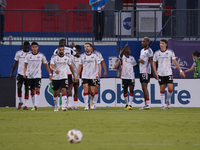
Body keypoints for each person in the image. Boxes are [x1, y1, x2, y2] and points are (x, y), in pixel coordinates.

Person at [152, 39, 185, 110]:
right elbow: (154, 62)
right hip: (160, 73)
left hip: (169, 73)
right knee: (162, 89)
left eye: (163, 43)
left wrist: (180, 70)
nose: (161, 45)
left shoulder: (170, 52)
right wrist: (155, 72)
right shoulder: (157, 53)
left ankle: (168, 100)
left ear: (166, 44)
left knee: (170, 89)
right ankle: (163, 105)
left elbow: (175, 61)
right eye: (160, 43)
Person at [23, 42, 52, 111]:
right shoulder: (28, 56)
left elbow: (46, 65)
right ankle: (34, 105)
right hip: (30, 76)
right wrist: (24, 73)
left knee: (37, 89)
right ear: (31, 48)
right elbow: (25, 65)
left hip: (38, 75)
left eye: (36, 47)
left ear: (38, 47)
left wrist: (50, 74)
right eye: (33, 47)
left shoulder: (41, 55)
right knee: (32, 91)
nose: (34, 48)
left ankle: (36, 105)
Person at [50, 45, 77, 111]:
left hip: (64, 77)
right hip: (56, 77)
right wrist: (54, 70)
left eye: (62, 50)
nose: (61, 51)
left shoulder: (67, 58)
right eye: (60, 50)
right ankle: (56, 106)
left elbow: (71, 66)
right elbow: (51, 66)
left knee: (64, 90)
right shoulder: (54, 57)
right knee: (55, 92)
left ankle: (63, 106)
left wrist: (74, 75)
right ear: (58, 50)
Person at [76, 43, 101, 110]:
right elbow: (80, 66)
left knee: (92, 92)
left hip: (93, 76)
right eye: (85, 47)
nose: (86, 48)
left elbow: (99, 64)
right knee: (86, 89)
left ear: (90, 47)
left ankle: (92, 102)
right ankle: (86, 106)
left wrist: (99, 72)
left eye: (87, 46)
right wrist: (77, 75)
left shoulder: (95, 56)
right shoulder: (82, 56)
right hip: (85, 75)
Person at [10, 41, 31, 110]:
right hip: (20, 73)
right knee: (19, 87)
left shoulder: (31, 54)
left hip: (28, 74)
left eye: (28, 47)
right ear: (23, 47)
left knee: (27, 89)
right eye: (26, 47)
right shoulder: (18, 53)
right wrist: (12, 72)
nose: (27, 49)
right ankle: (20, 101)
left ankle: (25, 105)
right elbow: (15, 63)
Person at [120, 43, 137, 110]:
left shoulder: (132, 58)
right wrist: (125, 47)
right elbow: (121, 54)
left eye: (129, 49)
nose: (128, 50)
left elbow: (135, 65)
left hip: (131, 76)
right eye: (127, 49)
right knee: (125, 90)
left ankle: (130, 104)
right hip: (124, 76)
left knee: (131, 89)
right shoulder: (122, 57)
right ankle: (127, 104)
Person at [138, 37, 154, 110]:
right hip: (141, 71)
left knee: (144, 87)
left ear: (147, 42)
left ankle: (148, 104)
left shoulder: (150, 51)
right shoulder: (142, 50)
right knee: (143, 87)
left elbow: (151, 61)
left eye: (143, 41)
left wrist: (154, 71)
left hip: (146, 71)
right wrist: (140, 60)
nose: (142, 43)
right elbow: (142, 60)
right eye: (142, 41)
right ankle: (146, 104)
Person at [71, 44, 82, 109]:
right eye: (75, 51)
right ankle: (68, 104)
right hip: (71, 75)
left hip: (77, 76)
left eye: (78, 51)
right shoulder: (71, 57)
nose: (77, 52)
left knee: (76, 89)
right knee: (69, 89)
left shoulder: (81, 57)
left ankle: (75, 105)